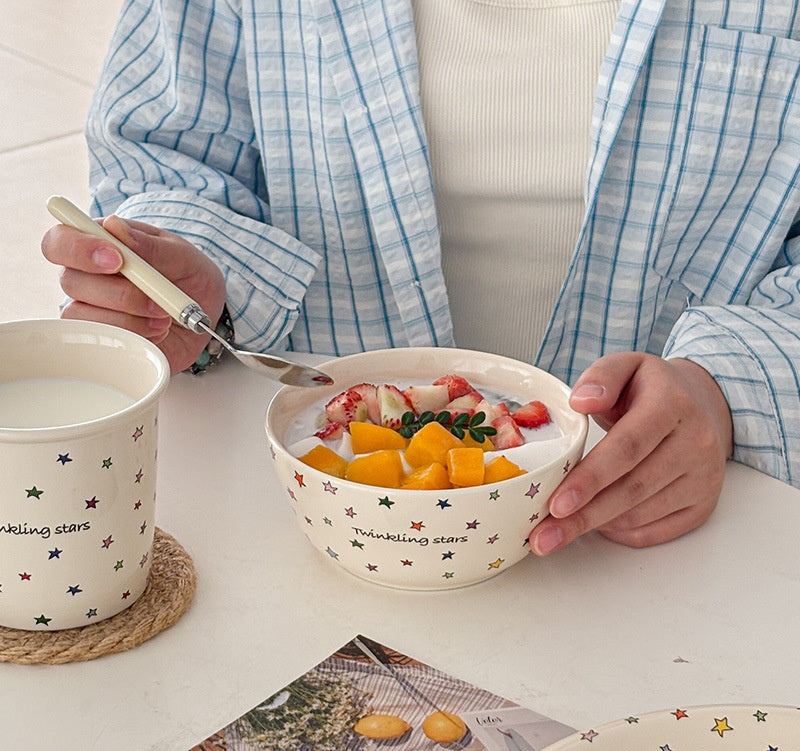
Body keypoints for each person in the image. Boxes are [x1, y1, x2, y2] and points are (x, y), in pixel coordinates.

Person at [41, 0, 800, 559]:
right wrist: (188, 275)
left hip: (665, 543)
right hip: (304, 526)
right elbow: (172, 158)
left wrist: (724, 388)